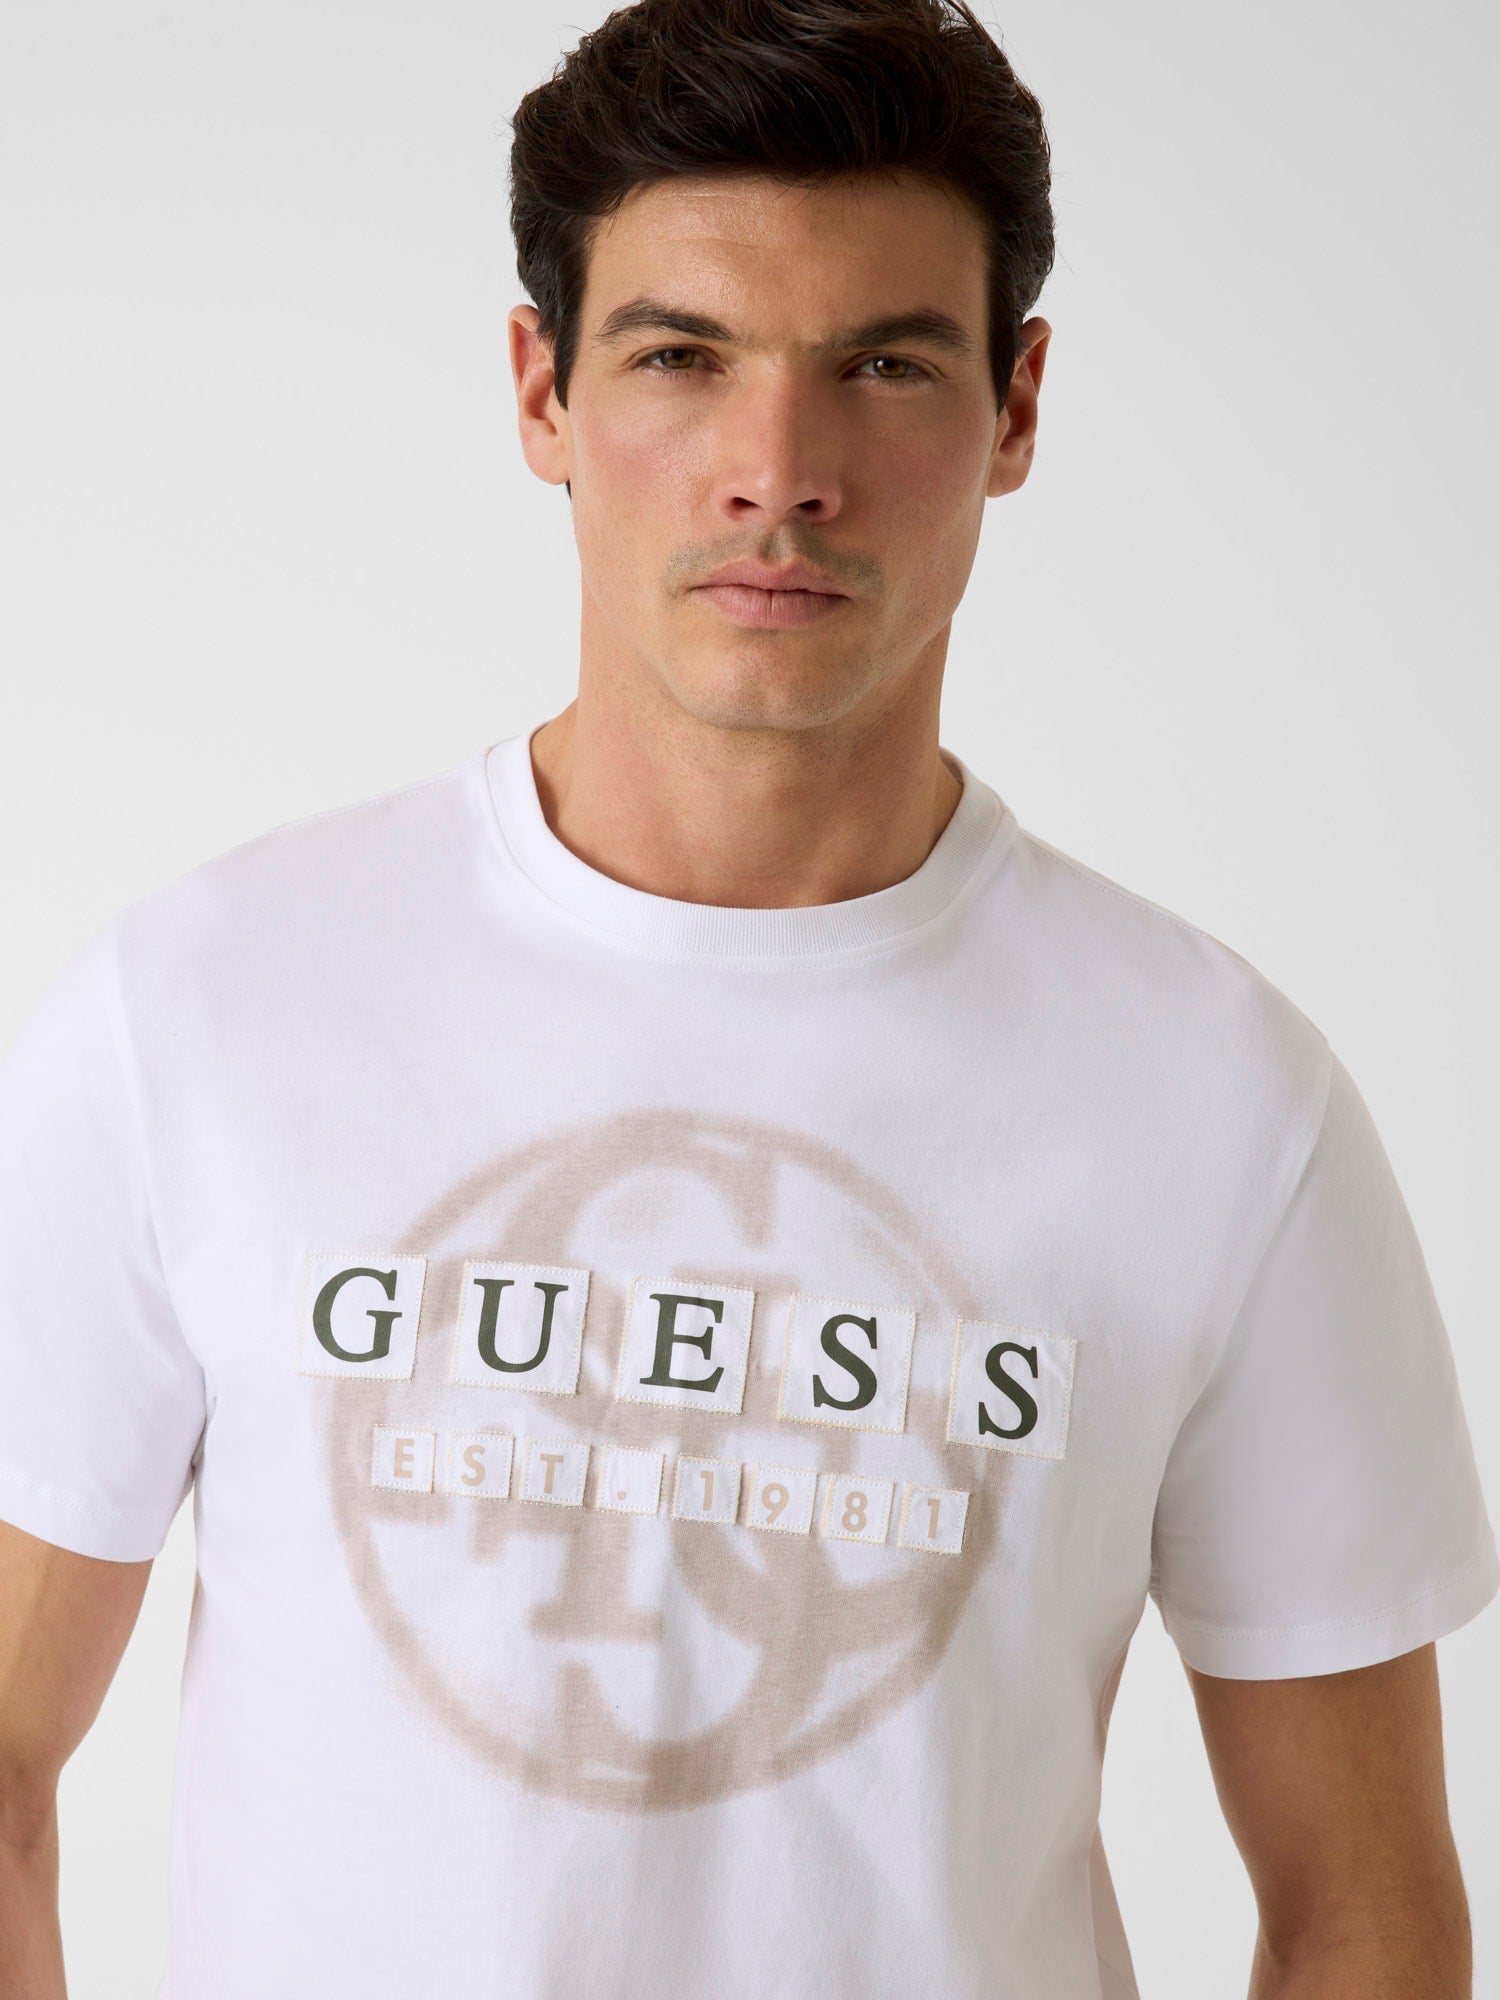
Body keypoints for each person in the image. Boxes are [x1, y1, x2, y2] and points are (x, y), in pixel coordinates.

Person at [0, 0, 1494, 1994]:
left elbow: (1365, 1907)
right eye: (680, 357)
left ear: (1016, 410)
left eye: (884, 365)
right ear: (541, 392)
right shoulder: (204, 1012)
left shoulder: (1222, 1100)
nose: (778, 473)